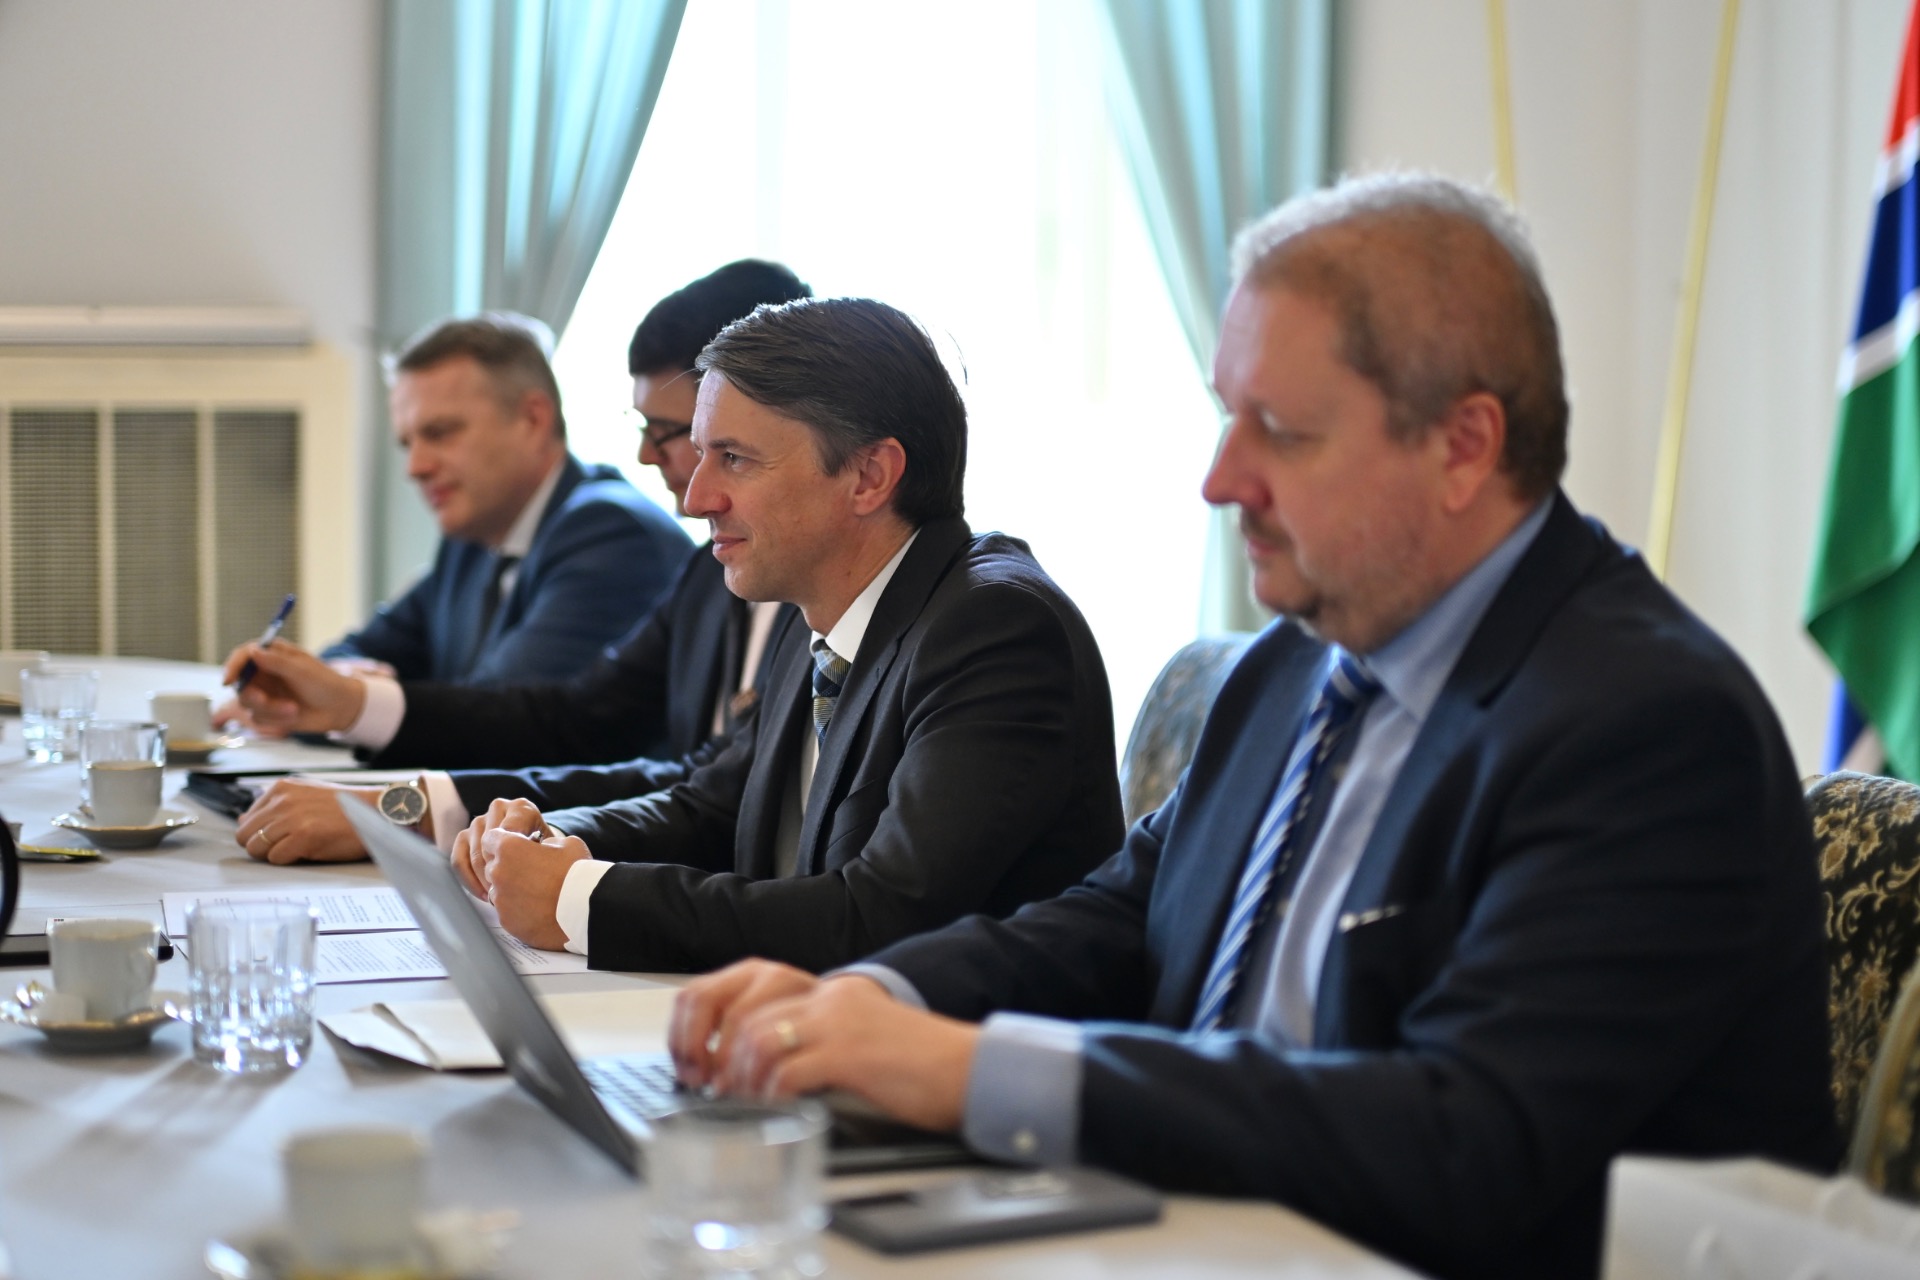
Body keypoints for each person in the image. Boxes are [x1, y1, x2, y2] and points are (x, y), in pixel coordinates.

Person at [663, 175, 1839, 1279]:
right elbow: (1122, 913)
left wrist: (972, 1070)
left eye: (1281, 428)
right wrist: (881, 998)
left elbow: (1462, 1138)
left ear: (1463, 446)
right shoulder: (1297, 660)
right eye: (1230, 418)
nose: (1221, 479)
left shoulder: (1648, 725)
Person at [454, 297, 1125, 976]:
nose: (697, 498)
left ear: (869, 476)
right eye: (702, 455)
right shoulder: (818, 607)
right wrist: (555, 837)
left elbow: (882, 917)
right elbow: (714, 808)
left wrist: (581, 900)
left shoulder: (996, 630)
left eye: (735, 459)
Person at [220, 263, 812, 866]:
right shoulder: (702, 573)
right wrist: (348, 702)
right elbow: (573, 718)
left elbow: (674, 783)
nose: (416, 467)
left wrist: (397, 803)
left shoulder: (616, 534)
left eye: (691, 438)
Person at [306, 313, 688, 691]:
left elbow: (501, 709)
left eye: (440, 433)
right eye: (408, 444)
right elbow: (356, 652)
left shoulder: (610, 533)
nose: (415, 467)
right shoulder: (470, 543)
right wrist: (328, 685)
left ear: (532, 419)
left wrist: (355, 701)